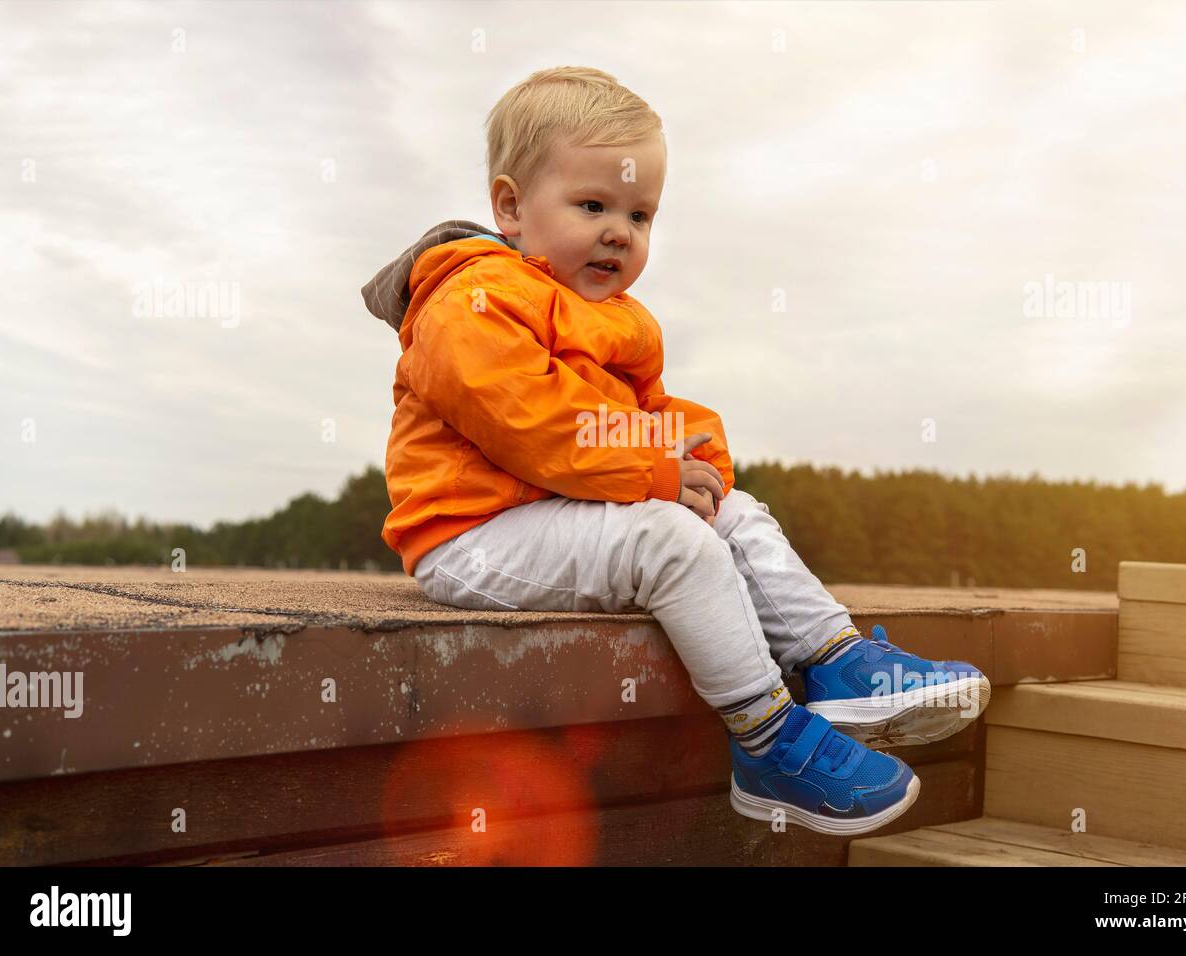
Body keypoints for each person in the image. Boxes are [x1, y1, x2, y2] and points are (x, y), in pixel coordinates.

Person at [362, 66, 989, 835]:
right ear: (511, 207)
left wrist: (698, 458)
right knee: (671, 541)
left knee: (734, 511)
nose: (621, 231)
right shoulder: (471, 301)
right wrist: (655, 472)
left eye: (641, 214)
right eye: (593, 205)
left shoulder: (615, 317)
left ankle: (839, 663)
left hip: (565, 505)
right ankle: (768, 743)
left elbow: (647, 416)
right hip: (473, 532)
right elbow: (529, 421)